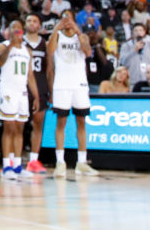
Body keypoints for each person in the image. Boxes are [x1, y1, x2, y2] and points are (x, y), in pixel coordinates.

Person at [48, 11, 98, 178]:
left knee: (81, 123)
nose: (66, 20)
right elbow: (50, 52)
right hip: (62, 84)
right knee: (61, 123)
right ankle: (60, 162)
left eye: (69, 17)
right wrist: (56, 29)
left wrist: (77, 31)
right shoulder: (57, 36)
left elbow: (88, 51)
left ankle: (81, 163)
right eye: (64, 17)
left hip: (79, 84)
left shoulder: (81, 36)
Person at [0, 19, 37, 181]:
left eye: (19, 28)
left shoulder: (27, 51)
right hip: (8, 91)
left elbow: (30, 76)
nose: (17, 30)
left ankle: (18, 165)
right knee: (9, 127)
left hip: (22, 92)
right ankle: (7, 165)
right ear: (9, 31)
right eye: (14, 28)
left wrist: (36, 96)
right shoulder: (3, 45)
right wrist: (11, 45)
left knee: (20, 129)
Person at [22, 13, 49, 173]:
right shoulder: (19, 42)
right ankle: (14, 159)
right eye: (29, 21)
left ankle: (33, 159)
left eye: (35, 21)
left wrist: (49, 89)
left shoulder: (44, 44)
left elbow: (49, 69)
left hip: (40, 85)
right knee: (18, 126)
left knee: (38, 124)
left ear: (40, 25)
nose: (32, 23)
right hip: (21, 86)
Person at [120, 23, 150, 89]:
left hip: (147, 82)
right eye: (136, 30)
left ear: (144, 32)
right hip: (132, 81)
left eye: (140, 30)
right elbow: (123, 63)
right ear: (132, 33)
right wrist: (133, 50)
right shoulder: (126, 46)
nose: (138, 32)